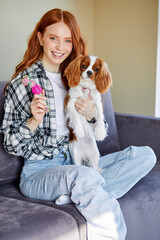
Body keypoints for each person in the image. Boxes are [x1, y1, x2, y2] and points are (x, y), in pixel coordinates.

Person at [1, 8, 156, 240]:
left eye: (67, 41)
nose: (60, 47)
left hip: (76, 161)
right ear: (40, 37)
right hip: (39, 173)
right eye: (53, 38)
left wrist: (93, 114)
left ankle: (76, 194)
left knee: (146, 156)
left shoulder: (74, 76)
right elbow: (11, 145)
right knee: (86, 177)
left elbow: (99, 132)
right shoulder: (24, 82)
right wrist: (33, 121)